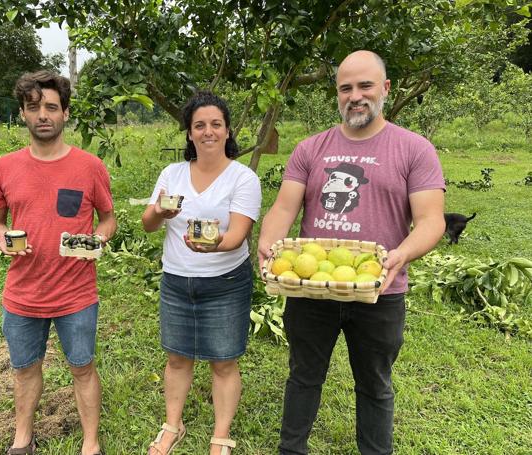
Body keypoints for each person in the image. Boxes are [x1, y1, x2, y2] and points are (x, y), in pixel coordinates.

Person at [257, 50, 446, 455]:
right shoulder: (311, 148)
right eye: (346, 88)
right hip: (310, 287)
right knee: (303, 376)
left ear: (385, 88)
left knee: (375, 383)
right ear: (337, 93)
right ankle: (292, 450)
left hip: (381, 289)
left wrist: (401, 255)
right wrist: (268, 243)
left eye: (365, 86)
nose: (355, 96)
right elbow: (284, 208)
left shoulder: (414, 149)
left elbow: (431, 220)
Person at [0, 70, 116, 455]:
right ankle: (22, 439)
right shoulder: (4, 168)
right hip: (23, 293)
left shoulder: (90, 167)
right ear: (23, 114)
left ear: (65, 113)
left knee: (82, 367)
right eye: (34, 107)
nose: (43, 114)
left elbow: (108, 219)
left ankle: (90, 444)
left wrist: (99, 238)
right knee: (25, 370)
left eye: (51, 107)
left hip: (76, 293)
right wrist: (0, 236)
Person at [142, 91, 262, 455]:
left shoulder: (242, 178)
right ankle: (172, 426)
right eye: (199, 125)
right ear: (189, 133)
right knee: (177, 357)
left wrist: (214, 244)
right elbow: (148, 223)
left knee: (224, 361)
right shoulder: (172, 173)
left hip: (226, 282)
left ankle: (220, 434)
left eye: (215, 124)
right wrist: (161, 213)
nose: (208, 131)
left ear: (227, 131)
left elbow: (238, 235)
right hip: (177, 280)